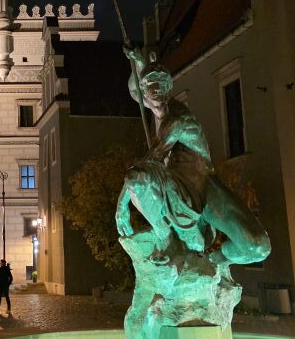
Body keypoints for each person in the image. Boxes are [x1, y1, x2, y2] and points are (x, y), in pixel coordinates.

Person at [115, 50, 271, 265]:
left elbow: (151, 160)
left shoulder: (177, 118)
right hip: (179, 184)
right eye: (151, 84)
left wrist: (122, 205)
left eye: (162, 83)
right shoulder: (159, 109)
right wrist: (139, 64)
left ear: (170, 88)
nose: (157, 88)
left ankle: (216, 261)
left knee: (257, 247)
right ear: (144, 90)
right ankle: (165, 236)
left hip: (205, 185)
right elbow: (135, 92)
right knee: (140, 180)